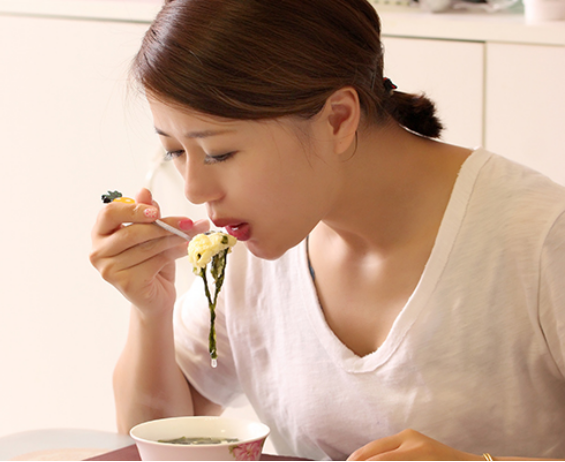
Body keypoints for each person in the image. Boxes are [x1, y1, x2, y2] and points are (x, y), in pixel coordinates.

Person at [89, 0, 565, 459]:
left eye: (219, 153)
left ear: (338, 119)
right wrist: (151, 312)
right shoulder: (248, 250)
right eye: (175, 151)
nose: (194, 189)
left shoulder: (541, 238)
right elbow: (159, 443)